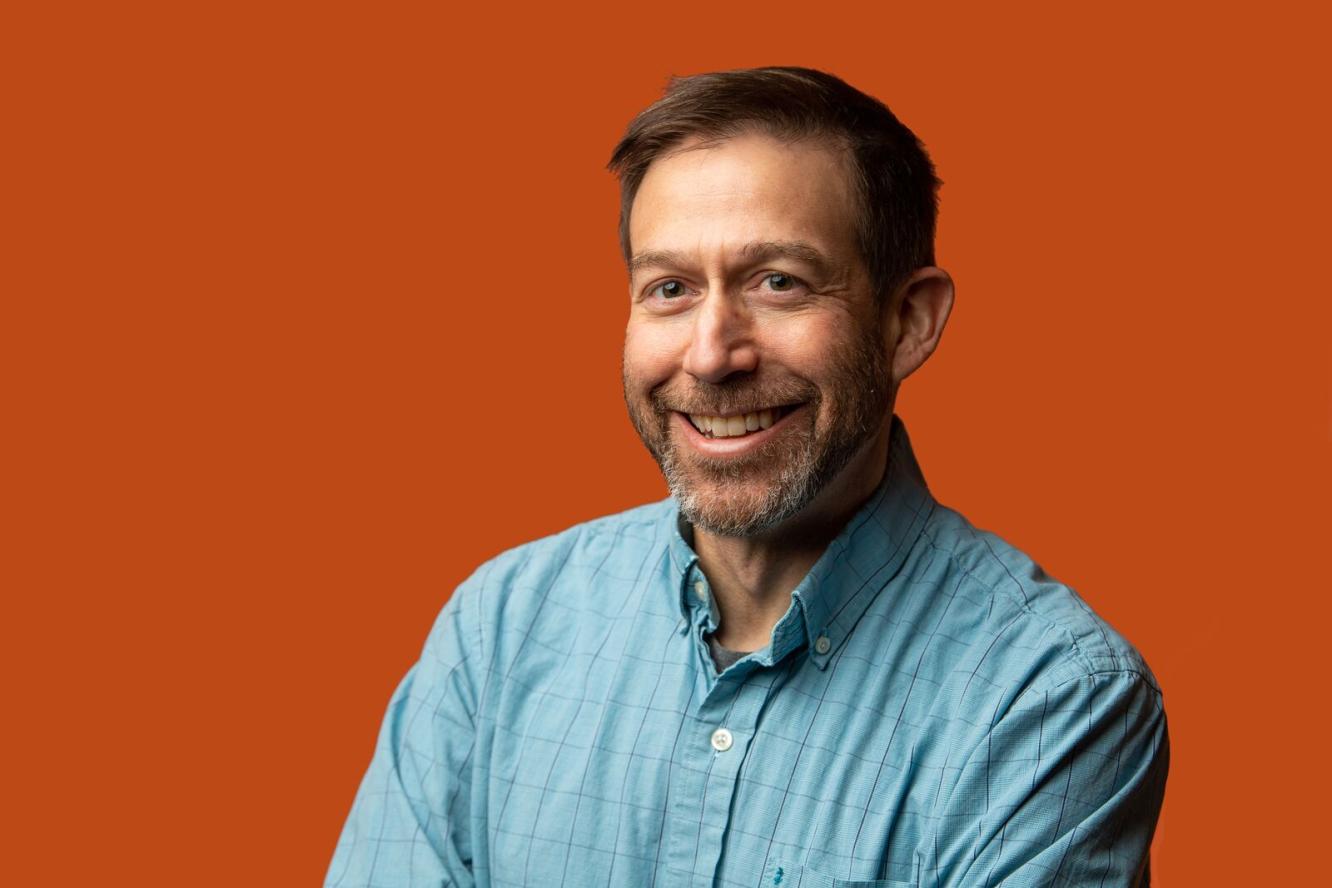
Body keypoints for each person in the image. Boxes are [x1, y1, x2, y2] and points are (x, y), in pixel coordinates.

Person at [326, 66, 1169, 888]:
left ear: (907, 322)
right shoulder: (502, 632)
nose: (710, 353)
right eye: (670, 288)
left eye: (778, 283)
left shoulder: (1051, 699)